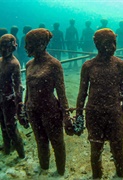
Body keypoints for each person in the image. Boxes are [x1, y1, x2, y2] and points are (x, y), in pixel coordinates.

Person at [76, 28, 123, 179]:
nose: (112, 47)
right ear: (97, 44)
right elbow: (82, 93)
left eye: (114, 43)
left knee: (118, 146)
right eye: (107, 43)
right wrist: (79, 117)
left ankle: (120, 175)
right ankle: (97, 176)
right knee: (96, 148)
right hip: (94, 113)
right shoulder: (88, 66)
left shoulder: (120, 65)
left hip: (114, 113)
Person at [24, 28, 73, 175]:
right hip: (33, 109)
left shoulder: (54, 64)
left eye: (29, 44)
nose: (26, 47)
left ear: (41, 44)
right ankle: (44, 167)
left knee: (57, 142)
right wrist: (25, 107)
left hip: (50, 110)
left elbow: (61, 93)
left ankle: (60, 172)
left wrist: (66, 116)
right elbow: (28, 89)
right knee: (41, 141)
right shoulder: (28, 65)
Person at [0, 34, 26, 158]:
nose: (3, 50)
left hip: (9, 100)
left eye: (7, 47)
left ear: (13, 47)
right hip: (1, 99)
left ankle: (21, 152)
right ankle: (7, 147)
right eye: (2, 46)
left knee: (10, 126)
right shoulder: (0, 61)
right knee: (3, 125)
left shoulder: (14, 64)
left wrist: (19, 103)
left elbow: (18, 85)